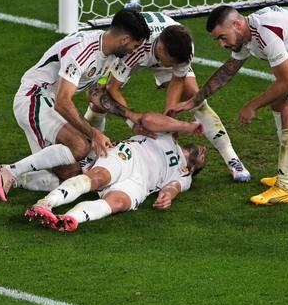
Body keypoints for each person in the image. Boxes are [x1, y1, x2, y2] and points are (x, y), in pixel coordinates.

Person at [168, 5, 288, 205]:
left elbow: (286, 83)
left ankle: (284, 187)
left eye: (223, 37)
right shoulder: (248, 34)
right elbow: (228, 71)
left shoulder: (265, 33)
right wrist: (194, 100)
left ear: (238, 24)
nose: (221, 44)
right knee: (279, 104)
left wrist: (252, 106)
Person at [0, 7, 151, 201]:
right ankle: (9, 171)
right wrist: (93, 134)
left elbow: (95, 94)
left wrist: (131, 120)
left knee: (69, 177)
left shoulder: (110, 54)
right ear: (124, 40)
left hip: (49, 103)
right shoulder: (83, 49)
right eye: (135, 45)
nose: (134, 51)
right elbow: (63, 103)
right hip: (33, 98)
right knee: (79, 146)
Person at [89, 12, 251, 183]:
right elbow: (113, 88)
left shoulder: (184, 49)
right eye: (173, 62)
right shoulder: (135, 48)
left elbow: (178, 80)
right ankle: (89, 150)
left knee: (194, 98)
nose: (176, 66)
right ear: (160, 51)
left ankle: (232, 159)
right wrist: (134, 123)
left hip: (163, 53)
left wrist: (169, 121)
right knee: (101, 97)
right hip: (132, 53)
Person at [23, 102, 206, 233]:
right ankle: (45, 204)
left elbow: (173, 187)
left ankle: (68, 219)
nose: (204, 149)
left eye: (204, 158)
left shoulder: (184, 175)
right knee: (98, 177)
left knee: (118, 203)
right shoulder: (169, 135)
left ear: (193, 169)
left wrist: (168, 196)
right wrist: (187, 126)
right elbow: (149, 119)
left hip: (140, 184)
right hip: (129, 156)